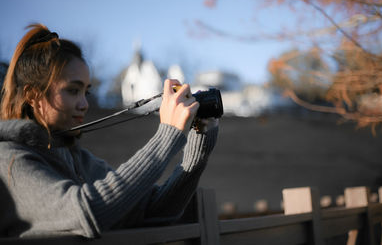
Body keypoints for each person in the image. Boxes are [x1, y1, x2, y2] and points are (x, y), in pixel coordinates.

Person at [0, 24, 219, 238]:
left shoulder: (78, 159)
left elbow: (154, 211)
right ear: (32, 95)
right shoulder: (9, 160)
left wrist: (199, 145)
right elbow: (86, 212)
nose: (84, 103)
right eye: (73, 90)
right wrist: (168, 135)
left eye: (86, 91)